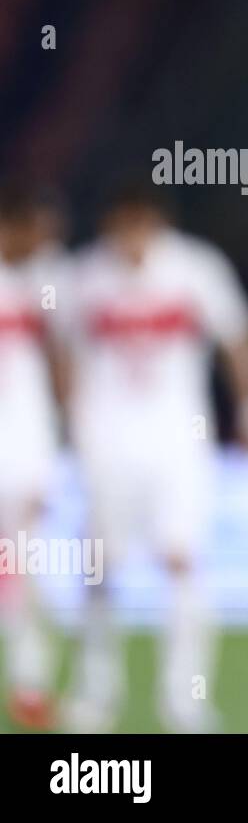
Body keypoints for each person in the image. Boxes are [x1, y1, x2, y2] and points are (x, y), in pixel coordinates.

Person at [57, 182, 248, 732]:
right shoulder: (84, 277)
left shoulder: (195, 269)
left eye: (138, 223)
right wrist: (72, 424)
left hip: (179, 442)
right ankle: (95, 692)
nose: (129, 238)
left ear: (156, 221)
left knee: (182, 561)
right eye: (120, 224)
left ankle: (185, 698)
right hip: (106, 444)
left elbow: (240, 340)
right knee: (100, 569)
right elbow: (61, 352)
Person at [0, 187, 65, 729]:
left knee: (22, 568)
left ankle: (30, 684)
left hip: (24, 451)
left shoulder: (47, 281)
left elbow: (66, 358)